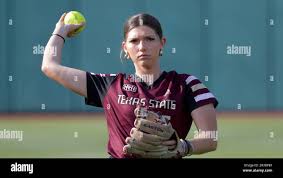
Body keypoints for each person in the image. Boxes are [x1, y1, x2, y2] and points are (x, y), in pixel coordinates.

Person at [42, 13, 218, 158]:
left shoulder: (187, 85)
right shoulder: (109, 85)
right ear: (125, 47)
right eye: (134, 41)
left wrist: (183, 146)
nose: (142, 46)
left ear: (162, 43)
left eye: (149, 39)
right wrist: (60, 32)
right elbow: (50, 66)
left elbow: (210, 139)